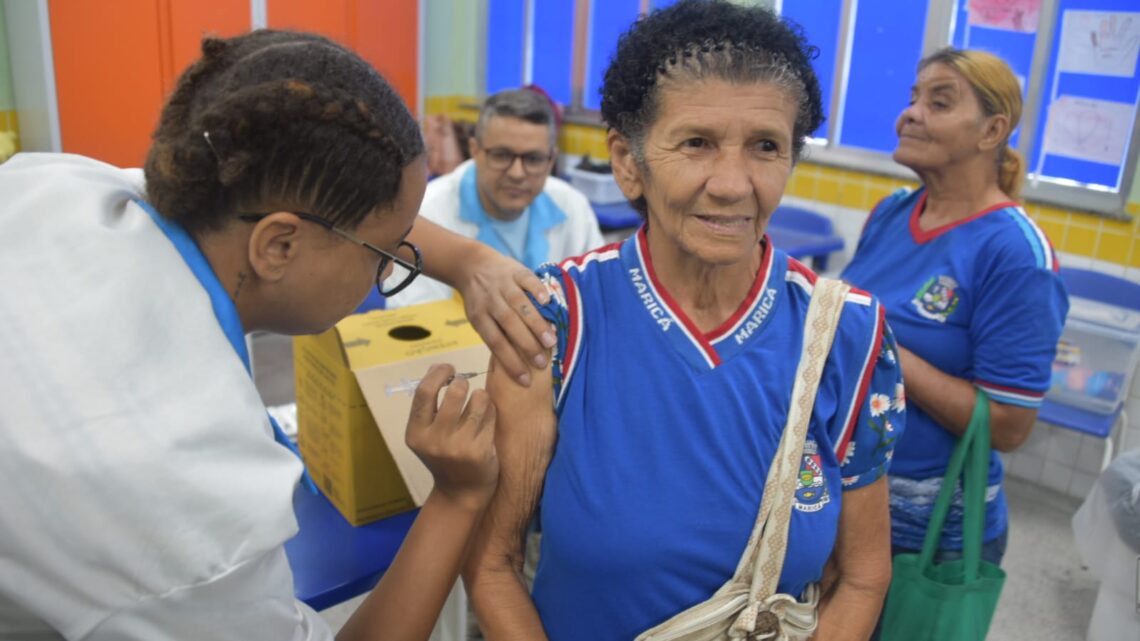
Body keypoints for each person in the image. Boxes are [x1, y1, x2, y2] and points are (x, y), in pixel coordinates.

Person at [0, 29, 553, 641]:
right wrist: (455, 496)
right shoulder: (187, 500)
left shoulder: (56, 187)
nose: (392, 266)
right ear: (279, 245)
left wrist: (470, 262)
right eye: (385, 253)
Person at [461, 3, 907, 640]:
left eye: (765, 147)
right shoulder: (556, 322)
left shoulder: (847, 335)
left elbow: (862, 576)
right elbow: (493, 561)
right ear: (627, 161)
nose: (731, 184)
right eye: (696, 143)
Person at [840, 49, 1068, 587]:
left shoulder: (1014, 253)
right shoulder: (894, 212)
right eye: (912, 98)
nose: (911, 113)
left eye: (938, 102)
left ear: (992, 131)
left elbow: (1010, 427)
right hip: (847, 497)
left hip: (928, 534)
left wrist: (882, 344)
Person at [386, 89, 604, 309]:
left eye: (533, 159)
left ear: (551, 160)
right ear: (475, 151)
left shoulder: (573, 207)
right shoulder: (427, 214)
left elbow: (598, 298)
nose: (517, 173)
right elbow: (417, 319)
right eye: (502, 155)